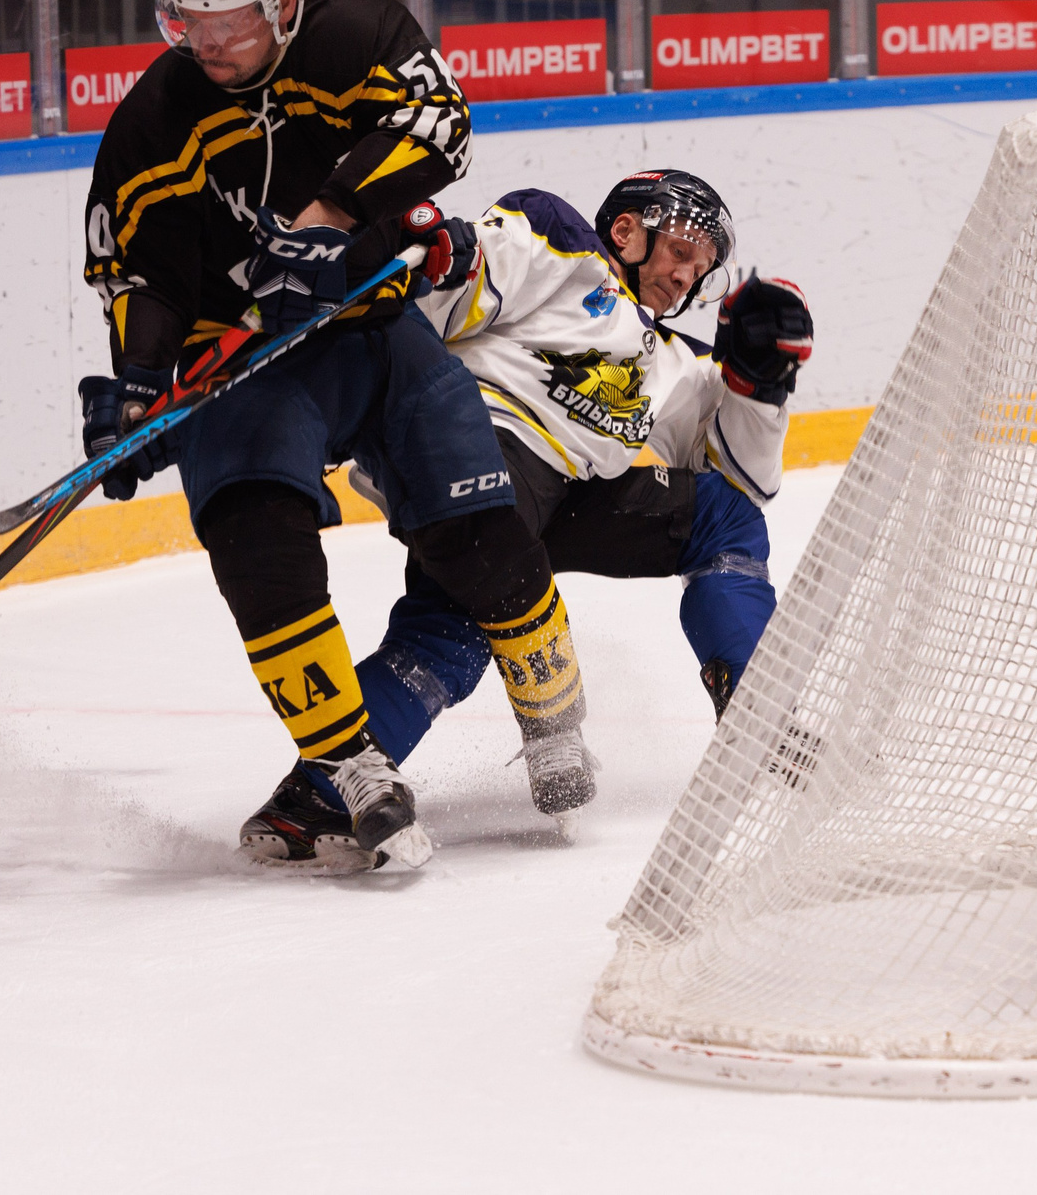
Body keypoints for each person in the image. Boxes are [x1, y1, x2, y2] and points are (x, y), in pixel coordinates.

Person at [78, 0, 587, 872]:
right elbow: (136, 273)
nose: (205, 43)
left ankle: (551, 708)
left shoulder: (357, 35)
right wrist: (137, 385)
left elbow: (440, 127)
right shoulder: (154, 118)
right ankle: (350, 761)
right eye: (188, 20)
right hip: (251, 362)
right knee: (253, 537)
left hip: (375, 331)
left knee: (479, 537)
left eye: (227, 21)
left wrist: (329, 220)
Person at [236, 173, 816, 869]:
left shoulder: (679, 363)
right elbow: (442, 297)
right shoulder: (563, 245)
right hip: (475, 456)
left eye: (701, 269)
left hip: (568, 494)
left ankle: (755, 702)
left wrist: (760, 386)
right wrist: (441, 264)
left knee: (721, 519)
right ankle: (352, 783)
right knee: (469, 610)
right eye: (681, 250)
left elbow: (748, 479)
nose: (686, 276)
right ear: (628, 231)